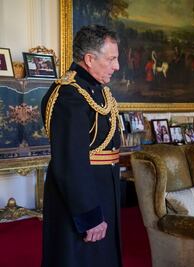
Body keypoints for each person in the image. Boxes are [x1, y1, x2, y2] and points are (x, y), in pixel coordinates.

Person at [41, 25, 122, 267]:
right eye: (112, 59)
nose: (117, 66)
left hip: (102, 190)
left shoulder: (97, 90)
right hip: (80, 200)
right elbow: (70, 161)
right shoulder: (68, 95)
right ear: (89, 59)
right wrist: (90, 216)